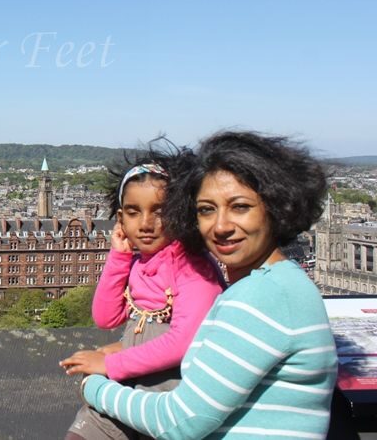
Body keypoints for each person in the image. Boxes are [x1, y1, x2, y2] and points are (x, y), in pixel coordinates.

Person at [78, 132, 338, 439]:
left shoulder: (262, 295)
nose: (221, 226)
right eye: (206, 210)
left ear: (275, 206)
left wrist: (94, 386)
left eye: (240, 207)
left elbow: (181, 422)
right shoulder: (282, 282)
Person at [61, 156, 224, 440]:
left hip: (169, 396)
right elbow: (105, 317)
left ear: (179, 213)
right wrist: (119, 255)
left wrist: (110, 363)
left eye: (159, 211)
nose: (146, 223)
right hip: (131, 385)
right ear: (121, 218)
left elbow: (183, 343)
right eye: (134, 212)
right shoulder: (139, 263)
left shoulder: (191, 266)